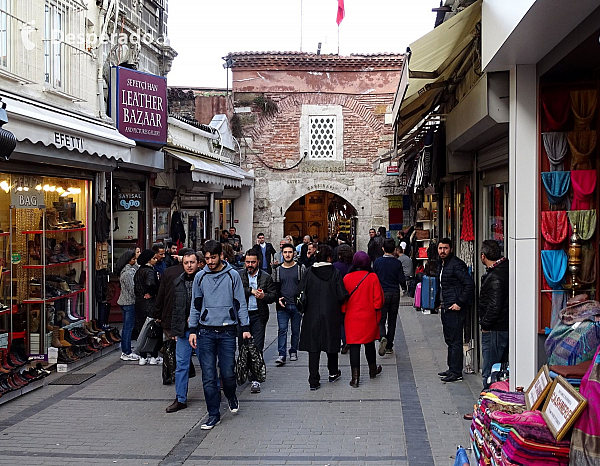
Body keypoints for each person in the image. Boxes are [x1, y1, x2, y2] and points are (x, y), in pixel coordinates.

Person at [189, 240, 251, 430]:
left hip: (227, 331)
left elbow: (240, 302)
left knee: (228, 374)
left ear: (221, 256)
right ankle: (213, 414)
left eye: (213, 257)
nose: (210, 261)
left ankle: (231, 395)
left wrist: (245, 326)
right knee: (208, 376)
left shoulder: (233, 276)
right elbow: (196, 304)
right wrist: (192, 329)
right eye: (206, 258)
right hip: (205, 331)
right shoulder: (199, 277)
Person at [298, 245, 348, 390]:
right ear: (329, 257)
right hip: (331, 313)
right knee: (331, 344)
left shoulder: (308, 272)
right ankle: (333, 372)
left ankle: (313, 380)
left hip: (311, 314)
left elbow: (299, 293)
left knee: (313, 348)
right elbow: (341, 294)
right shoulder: (335, 273)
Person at [165, 250, 202, 413]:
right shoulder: (178, 282)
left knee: (207, 364)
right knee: (181, 366)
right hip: (183, 331)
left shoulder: (204, 280)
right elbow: (175, 307)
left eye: (192, 262)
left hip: (201, 330)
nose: (189, 266)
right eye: (186, 263)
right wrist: (174, 329)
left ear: (198, 263)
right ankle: (180, 398)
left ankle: (213, 393)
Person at [435, 238, 475, 383]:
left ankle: (456, 371)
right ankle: (451, 368)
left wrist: (459, 302)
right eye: (440, 248)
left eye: (445, 248)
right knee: (449, 339)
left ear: (451, 249)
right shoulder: (442, 264)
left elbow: (469, 284)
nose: (442, 251)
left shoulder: (456, 264)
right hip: (446, 307)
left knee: (456, 340)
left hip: (455, 308)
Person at [343, 251, 384, 387]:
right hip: (368, 316)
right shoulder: (372, 277)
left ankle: (355, 379)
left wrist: (344, 311)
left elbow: (342, 301)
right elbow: (378, 301)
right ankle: (372, 370)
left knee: (354, 347)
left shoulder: (347, 278)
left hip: (352, 317)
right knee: (369, 344)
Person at [239, 249, 277, 393]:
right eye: (247, 262)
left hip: (258, 316)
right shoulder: (239, 275)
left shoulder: (266, 277)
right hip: (243, 316)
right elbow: (235, 291)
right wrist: (251, 291)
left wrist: (264, 297)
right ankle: (247, 370)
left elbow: (273, 295)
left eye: (252, 262)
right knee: (243, 346)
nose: (250, 265)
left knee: (257, 347)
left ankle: (256, 378)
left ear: (258, 262)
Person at [478, 240, 509, 389]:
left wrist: (485, 324)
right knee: (498, 368)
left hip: (495, 328)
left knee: (490, 369)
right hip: (501, 325)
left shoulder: (496, 276)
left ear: (483, 256)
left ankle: (485, 403)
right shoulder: (504, 269)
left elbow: (494, 305)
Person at [273, 243, 306, 366]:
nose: (287, 254)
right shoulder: (277, 270)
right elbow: (275, 287)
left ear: (294, 253)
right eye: (285, 252)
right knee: (282, 329)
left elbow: (303, 286)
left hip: (296, 305)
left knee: (296, 330)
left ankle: (293, 350)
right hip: (283, 305)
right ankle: (282, 354)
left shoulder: (300, 268)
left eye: (290, 252)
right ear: (282, 254)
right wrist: (278, 299)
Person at [374, 239, 406, 356]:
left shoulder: (378, 262)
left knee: (381, 319)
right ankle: (389, 346)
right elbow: (402, 279)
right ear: (394, 250)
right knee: (392, 320)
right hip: (395, 293)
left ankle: (382, 336)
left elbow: (374, 278)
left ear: (383, 248)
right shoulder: (397, 263)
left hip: (382, 293)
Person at [153, 248, 193, 340]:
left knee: (170, 344)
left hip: (169, 314)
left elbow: (161, 294)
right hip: (186, 317)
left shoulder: (169, 272)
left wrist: (158, 314)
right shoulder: (196, 273)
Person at [134, 249, 162, 365]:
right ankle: (153, 355)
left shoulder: (138, 271)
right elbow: (151, 284)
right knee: (152, 329)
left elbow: (135, 287)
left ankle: (142, 355)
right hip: (149, 304)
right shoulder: (149, 272)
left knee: (142, 329)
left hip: (139, 303)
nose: (156, 260)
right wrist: (153, 293)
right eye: (154, 258)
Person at [116, 249, 139, 361]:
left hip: (125, 302)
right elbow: (132, 289)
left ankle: (126, 350)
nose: (135, 261)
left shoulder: (128, 270)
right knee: (128, 328)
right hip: (128, 302)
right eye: (134, 259)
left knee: (127, 327)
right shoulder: (127, 273)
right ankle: (126, 351)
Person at [333, 244, 353, 354]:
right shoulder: (353, 266)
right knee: (349, 319)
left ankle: (345, 340)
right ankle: (350, 339)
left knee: (340, 321)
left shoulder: (335, 266)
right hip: (352, 295)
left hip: (339, 296)